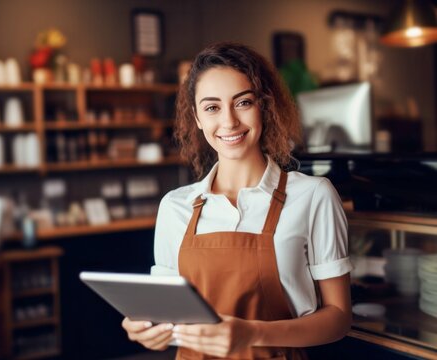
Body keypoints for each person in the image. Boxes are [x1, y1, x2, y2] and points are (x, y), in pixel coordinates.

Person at [122, 42, 353, 359]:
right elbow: (169, 318)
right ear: (198, 118)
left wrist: (253, 333)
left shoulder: (313, 196)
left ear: (264, 106)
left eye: (242, 102)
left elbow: (339, 317)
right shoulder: (174, 207)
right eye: (212, 107)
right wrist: (148, 330)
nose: (229, 121)